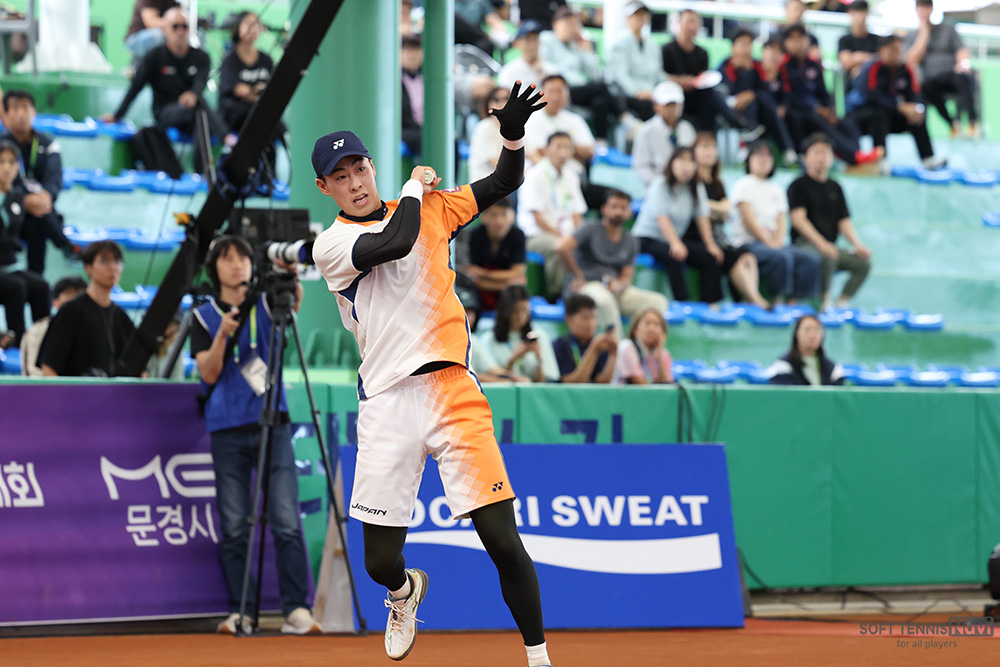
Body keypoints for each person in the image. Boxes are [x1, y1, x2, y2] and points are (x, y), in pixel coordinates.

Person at [309, 83, 553, 666]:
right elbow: (394, 242)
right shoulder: (332, 244)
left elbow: (504, 182)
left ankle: (540, 660)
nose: (355, 182)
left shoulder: (433, 208)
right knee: (378, 563)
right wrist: (414, 187)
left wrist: (512, 136)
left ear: (372, 166)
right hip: (386, 400)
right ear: (324, 188)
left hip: (451, 388)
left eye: (360, 168)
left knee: (502, 540)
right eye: (341, 177)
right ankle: (404, 592)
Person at [189, 235, 318, 636]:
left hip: (273, 423)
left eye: (243, 257)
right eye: (227, 258)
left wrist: (292, 273)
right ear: (214, 268)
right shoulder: (202, 316)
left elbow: (294, 302)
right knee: (233, 525)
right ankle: (241, 611)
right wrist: (223, 335)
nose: (237, 265)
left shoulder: (267, 301)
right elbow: (208, 372)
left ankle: (296, 609)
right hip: (226, 429)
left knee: (286, 520)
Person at [104, 8, 231, 167]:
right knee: (199, 106)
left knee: (201, 120)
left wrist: (192, 95)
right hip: (165, 112)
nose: (180, 31)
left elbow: (200, 83)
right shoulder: (154, 56)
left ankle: (203, 172)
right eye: (175, 26)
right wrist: (116, 116)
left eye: (184, 26)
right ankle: (226, 139)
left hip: (193, 113)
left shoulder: (202, 57)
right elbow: (135, 88)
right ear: (165, 29)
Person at [556, 188, 667, 338]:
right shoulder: (589, 228)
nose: (618, 212)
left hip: (613, 289)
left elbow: (627, 276)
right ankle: (616, 349)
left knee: (658, 302)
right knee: (604, 300)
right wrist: (577, 276)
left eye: (623, 208)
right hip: (587, 286)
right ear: (604, 209)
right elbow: (562, 247)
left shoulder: (631, 240)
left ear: (629, 212)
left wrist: (619, 285)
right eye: (614, 207)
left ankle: (637, 346)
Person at [729, 141, 820, 303]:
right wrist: (768, 241)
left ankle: (794, 302)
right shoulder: (743, 185)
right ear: (749, 160)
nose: (763, 160)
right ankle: (776, 300)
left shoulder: (776, 189)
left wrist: (777, 241)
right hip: (748, 243)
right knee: (781, 258)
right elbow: (748, 220)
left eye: (767, 156)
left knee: (809, 259)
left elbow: (781, 220)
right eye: (758, 155)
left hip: (774, 244)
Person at [788, 133, 871, 310]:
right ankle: (824, 301)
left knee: (863, 262)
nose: (822, 157)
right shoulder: (798, 185)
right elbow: (798, 220)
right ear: (806, 158)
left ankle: (842, 301)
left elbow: (844, 221)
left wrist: (858, 245)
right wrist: (822, 243)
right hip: (805, 244)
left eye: (825, 152)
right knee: (827, 255)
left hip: (830, 245)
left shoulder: (835, 187)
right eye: (816, 152)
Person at [0, 90, 78, 275]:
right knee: (36, 214)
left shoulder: (48, 143)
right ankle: (65, 246)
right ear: (6, 115)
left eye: (26, 108)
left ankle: (35, 278)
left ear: (34, 112)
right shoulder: (2, 145)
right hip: (8, 208)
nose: (21, 114)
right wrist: (23, 199)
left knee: (37, 220)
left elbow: (54, 177)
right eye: (15, 108)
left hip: (38, 209)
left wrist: (46, 196)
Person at [633, 147, 721, 303]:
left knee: (709, 257)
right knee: (675, 255)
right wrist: (675, 243)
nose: (686, 166)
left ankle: (709, 304)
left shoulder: (696, 187)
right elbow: (662, 217)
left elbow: (702, 217)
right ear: (672, 163)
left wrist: (711, 245)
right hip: (647, 238)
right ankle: (682, 302)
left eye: (690, 161)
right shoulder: (660, 183)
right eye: (681, 160)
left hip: (672, 240)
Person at [36, 241, 137, 377]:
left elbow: (137, 365)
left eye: (117, 261)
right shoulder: (71, 310)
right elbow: (49, 366)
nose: (113, 267)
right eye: (105, 261)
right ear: (88, 268)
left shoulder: (121, 317)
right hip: (77, 390)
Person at [777, 24, 874, 166]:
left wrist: (829, 109)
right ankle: (853, 157)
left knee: (847, 122)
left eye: (801, 38)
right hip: (800, 111)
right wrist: (815, 109)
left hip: (819, 110)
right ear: (785, 43)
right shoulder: (783, 66)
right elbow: (789, 96)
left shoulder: (813, 65)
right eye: (793, 39)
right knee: (818, 120)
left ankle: (858, 155)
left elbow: (824, 92)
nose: (798, 43)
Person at [693, 133, 770, 309]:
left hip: (719, 237)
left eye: (712, 147)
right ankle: (752, 300)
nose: (708, 152)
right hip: (697, 235)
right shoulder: (692, 181)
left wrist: (711, 209)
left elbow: (727, 210)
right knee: (716, 257)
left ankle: (751, 298)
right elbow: (699, 209)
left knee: (746, 256)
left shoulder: (718, 182)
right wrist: (713, 209)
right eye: (704, 147)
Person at [845, 35, 944, 170]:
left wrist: (916, 109)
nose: (896, 54)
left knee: (918, 115)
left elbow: (915, 96)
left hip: (890, 116)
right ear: (881, 50)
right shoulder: (873, 68)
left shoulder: (906, 70)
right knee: (879, 114)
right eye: (892, 50)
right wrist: (900, 107)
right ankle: (881, 159)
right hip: (862, 117)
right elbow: (873, 97)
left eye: (898, 50)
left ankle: (928, 158)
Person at [518, 131, 587, 302]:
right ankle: (555, 296)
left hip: (566, 233)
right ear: (547, 149)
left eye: (568, 148)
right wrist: (564, 238)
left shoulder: (571, 176)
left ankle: (582, 290)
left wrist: (578, 237)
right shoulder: (534, 175)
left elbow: (577, 214)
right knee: (559, 247)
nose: (563, 152)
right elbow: (538, 219)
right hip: (536, 235)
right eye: (559, 147)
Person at [661, 9, 755, 134]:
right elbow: (660, 77)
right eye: (689, 21)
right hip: (673, 95)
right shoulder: (666, 50)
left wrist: (696, 82)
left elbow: (704, 78)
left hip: (696, 95)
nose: (692, 27)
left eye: (695, 22)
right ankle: (735, 122)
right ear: (679, 23)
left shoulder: (702, 53)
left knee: (709, 95)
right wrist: (680, 81)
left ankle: (709, 136)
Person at [717, 29, 797, 166]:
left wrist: (750, 91)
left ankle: (786, 151)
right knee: (754, 105)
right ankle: (752, 145)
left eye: (749, 45)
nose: (747, 49)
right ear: (733, 47)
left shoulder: (755, 66)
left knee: (764, 105)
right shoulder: (724, 66)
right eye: (743, 44)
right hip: (731, 111)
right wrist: (738, 99)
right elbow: (720, 93)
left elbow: (765, 91)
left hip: (756, 111)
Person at [0, 140, 50, 350]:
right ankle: (18, 345)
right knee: (16, 288)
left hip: (9, 265)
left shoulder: (17, 196)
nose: (7, 167)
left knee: (41, 286)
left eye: (12, 162)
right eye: (1, 162)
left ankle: (43, 344)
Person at [540, 7, 618, 142]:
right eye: (566, 24)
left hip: (581, 89)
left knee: (600, 101)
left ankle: (601, 141)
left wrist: (587, 50)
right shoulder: (547, 40)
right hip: (562, 88)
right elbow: (545, 66)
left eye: (573, 25)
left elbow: (596, 74)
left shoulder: (575, 46)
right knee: (602, 87)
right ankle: (622, 115)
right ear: (555, 24)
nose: (570, 29)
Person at [904, 0, 978, 138]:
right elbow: (911, 60)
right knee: (926, 88)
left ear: (931, 9)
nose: (924, 11)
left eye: (926, 7)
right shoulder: (912, 35)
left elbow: (961, 50)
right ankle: (952, 123)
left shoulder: (948, 29)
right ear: (916, 10)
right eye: (921, 7)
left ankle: (972, 122)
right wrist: (924, 34)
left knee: (964, 77)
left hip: (952, 73)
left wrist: (963, 63)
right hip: (931, 78)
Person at [218, 12, 281, 137]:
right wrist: (255, 91)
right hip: (235, 114)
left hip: (261, 112)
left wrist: (255, 91)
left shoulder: (266, 59)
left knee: (275, 124)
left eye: (257, 24)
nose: (254, 28)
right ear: (238, 27)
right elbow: (240, 90)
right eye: (249, 24)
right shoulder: (230, 60)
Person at [481, 284, 560, 383]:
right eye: (515, 311)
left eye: (524, 310)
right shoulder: (488, 339)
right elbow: (489, 380)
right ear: (505, 311)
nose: (520, 316)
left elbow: (545, 382)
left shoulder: (539, 336)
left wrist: (539, 358)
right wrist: (512, 360)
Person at [462, 198, 526, 311]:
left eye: (504, 215)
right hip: (479, 292)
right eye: (494, 215)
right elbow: (470, 274)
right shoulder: (474, 235)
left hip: (500, 290)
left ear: (512, 216)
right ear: (484, 217)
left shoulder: (518, 235)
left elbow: (518, 273)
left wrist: (485, 274)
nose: (499, 221)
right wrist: (505, 282)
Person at [456, 285, 528, 383]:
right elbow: (461, 375)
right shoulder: (443, 340)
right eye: (464, 311)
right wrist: (506, 381)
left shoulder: (472, 340)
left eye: (470, 312)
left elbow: (495, 371)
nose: (468, 317)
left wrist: (513, 378)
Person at [631, 80, 696, 187]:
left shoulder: (687, 129)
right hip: (656, 184)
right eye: (668, 105)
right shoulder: (646, 131)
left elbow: (693, 159)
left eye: (675, 105)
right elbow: (641, 166)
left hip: (685, 186)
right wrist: (658, 184)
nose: (673, 109)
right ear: (656, 106)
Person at [523, 74, 595, 169]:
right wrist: (573, 151)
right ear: (541, 94)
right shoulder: (532, 119)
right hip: (544, 171)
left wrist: (558, 149)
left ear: (567, 95)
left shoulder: (575, 119)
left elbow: (589, 151)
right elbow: (537, 151)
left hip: (574, 171)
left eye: (560, 91)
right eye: (551, 91)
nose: (555, 97)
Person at [606, 2, 662, 122]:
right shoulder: (620, 43)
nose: (640, 19)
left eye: (643, 15)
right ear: (628, 18)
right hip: (629, 95)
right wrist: (637, 92)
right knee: (647, 106)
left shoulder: (652, 45)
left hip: (651, 93)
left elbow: (658, 74)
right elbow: (620, 75)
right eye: (636, 15)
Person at [20, 276, 85, 375]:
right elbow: (34, 372)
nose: (74, 299)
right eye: (68, 294)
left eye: (79, 294)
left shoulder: (90, 328)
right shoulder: (40, 329)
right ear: (55, 302)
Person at [552, 293, 616, 384]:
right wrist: (593, 350)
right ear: (569, 320)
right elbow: (571, 383)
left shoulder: (601, 346)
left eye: (594, 317)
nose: (591, 323)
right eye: (585, 318)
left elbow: (602, 382)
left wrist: (613, 353)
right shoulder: (559, 346)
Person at [768, 315, 846, 385]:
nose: (812, 335)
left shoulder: (832, 369)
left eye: (816, 330)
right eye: (807, 330)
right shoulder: (783, 366)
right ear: (797, 333)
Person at [612, 308, 673, 385]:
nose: (651, 329)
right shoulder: (627, 347)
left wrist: (659, 358)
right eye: (647, 323)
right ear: (636, 329)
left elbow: (668, 386)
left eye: (656, 324)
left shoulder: (663, 354)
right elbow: (640, 385)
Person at [468, 87, 511, 182]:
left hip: (510, 181)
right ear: (489, 104)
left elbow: (533, 155)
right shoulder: (484, 128)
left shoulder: (515, 127)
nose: (503, 103)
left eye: (507, 98)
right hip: (487, 183)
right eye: (497, 99)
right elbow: (497, 164)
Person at [837, 0, 879, 90]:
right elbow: (847, 62)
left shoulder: (876, 40)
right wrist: (869, 58)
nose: (860, 17)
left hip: (873, 85)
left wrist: (860, 66)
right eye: (857, 13)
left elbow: (880, 60)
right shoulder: (844, 40)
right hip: (851, 87)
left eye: (862, 12)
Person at [498, 20, 549, 90]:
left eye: (535, 39)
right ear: (517, 43)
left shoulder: (548, 68)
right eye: (528, 40)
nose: (533, 44)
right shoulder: (508, 71)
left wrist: (542, 73)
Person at [401, 34, 424, 155]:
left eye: (416, 50)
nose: (412, 55)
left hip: (423, 128)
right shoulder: (394, 81)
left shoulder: (427, 78)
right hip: (405, 129)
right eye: (408, 50)